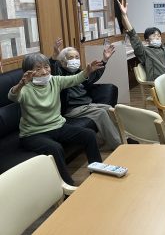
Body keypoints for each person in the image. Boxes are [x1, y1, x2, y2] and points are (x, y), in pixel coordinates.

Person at [8, 53, 104, 185]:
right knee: (55, 148)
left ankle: (98, 172)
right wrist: (21, 84)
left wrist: (87, 71)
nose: (44, 71)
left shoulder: (54, 80)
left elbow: (75, 79)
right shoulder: (25, 88)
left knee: (89, 135)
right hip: (33, 134)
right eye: (38, 68)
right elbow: (13, 96)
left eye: (46, 67)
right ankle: (68, 187)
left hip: (58, 126)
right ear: (28, 72)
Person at [50, 38, 121, 150]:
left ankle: (120, 137)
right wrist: (55, 56)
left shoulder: (80, 73)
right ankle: (119, 145)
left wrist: (104, 60)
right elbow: (53, 70)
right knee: (101, 113)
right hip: (72, 109)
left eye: (77, 57)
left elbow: (93, 76)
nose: (75, 60)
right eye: (71, 58)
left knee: (110, 109)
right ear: (63, 62)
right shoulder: (60, 75)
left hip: (85, 105)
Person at [116, 0, 165, 89]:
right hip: (159, 84)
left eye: (159, 36)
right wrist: (124, 16)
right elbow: (133, 36)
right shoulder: (144, 52)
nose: (157, 37)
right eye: (153, 35)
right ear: (147, 40)